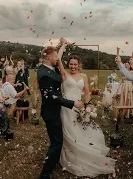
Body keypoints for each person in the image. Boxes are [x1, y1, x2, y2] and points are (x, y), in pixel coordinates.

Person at [56, 38, 116, 177]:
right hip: (66, 107)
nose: (72, 67)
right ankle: (70, 154)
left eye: (75, 64)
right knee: (69, 131)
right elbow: (58, 59)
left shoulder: (83, 76)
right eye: (70, 64)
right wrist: (63, 46)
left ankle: (83, 151)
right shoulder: (64, 74)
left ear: (79, 65)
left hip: (79, 107)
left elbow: (87, 93)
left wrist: (88, 107)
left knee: (80, 130)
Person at [37, 43, 83, 179]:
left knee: (55, 140)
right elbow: (52, 97)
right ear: (50, 57)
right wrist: (72, 103)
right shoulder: (43, 73)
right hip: (51, 112)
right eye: (56, 56)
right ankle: (45, 174)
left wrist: (62, 46)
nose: (58, 58)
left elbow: (58, 60)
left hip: (56, 110)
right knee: (57, 142)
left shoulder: (50, 68)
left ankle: (54, 160)